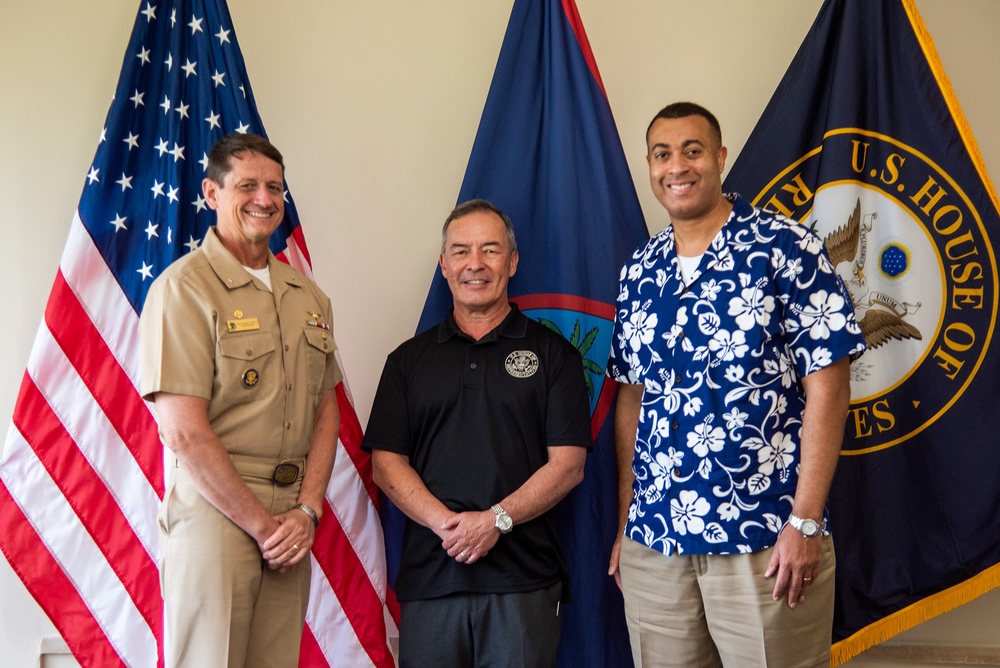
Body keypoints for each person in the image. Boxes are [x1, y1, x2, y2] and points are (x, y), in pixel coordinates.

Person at [606, 102, 867, 667]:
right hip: (656, 538)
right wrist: (629, 516)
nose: (677, 165)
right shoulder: (639, 270)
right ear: (649, 167)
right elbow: (631, 393)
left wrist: (805, 519)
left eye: (692, 150)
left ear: (720, 158)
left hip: (766, 535)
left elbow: (830, 382)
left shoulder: (786, 247)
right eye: (662, 153)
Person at [139, 133, 341, 668]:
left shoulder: (308, 297)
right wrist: (259, 523)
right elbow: (182, 430)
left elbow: (326, 412)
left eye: (274, 187)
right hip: (218, 508)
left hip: (292, 514)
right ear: (211, 192)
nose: (264, 198)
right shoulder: (185, 288)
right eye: (247, 185)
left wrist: (308, 510)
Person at [363, 199, 592, 667]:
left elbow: (568, 466)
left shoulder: (554, 356)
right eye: (461, 251)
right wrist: (446, 525)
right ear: (443, 264)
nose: (475, 264)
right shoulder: (407, 361)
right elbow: (386, 464)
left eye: (490, 250)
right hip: (431, 580)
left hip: (523, 582)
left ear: (512, 262)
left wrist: (496, 521)